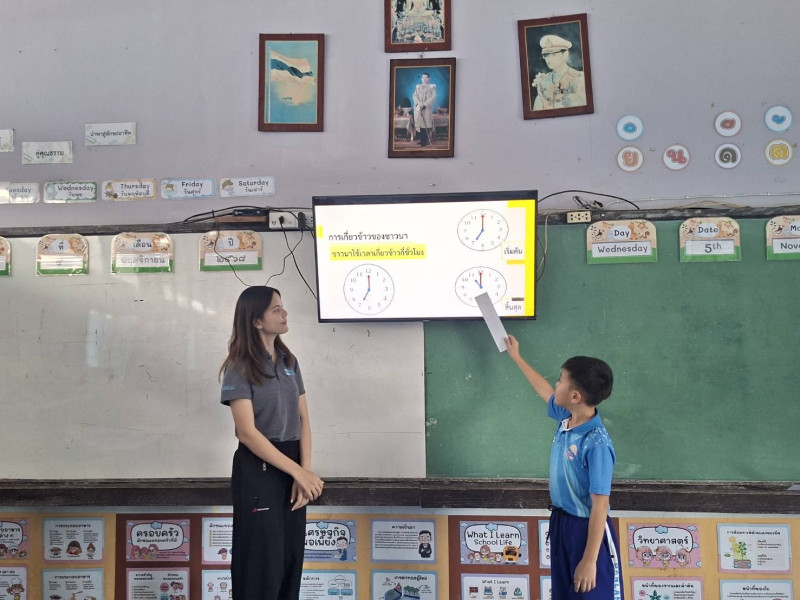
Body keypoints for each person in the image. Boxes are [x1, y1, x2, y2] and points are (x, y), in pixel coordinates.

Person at [219, 286, 324, 600]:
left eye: (283, 307)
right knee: (262, 562)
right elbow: (246, 432)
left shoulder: (290, 360)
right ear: (256, 321)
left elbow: (304, 420)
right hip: (259, 467)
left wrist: (304, 472)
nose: (284, 313)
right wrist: (298, 472)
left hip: (292, 465)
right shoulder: (240, 366)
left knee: (290, 558)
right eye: (276, 309)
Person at [505, 336, 623, 599]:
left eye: (560, 380)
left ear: (575, 396)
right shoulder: (567, 417)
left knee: (589, 594)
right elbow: (544, 390)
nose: (555, 384)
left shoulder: (596, 443)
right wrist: (517, 357)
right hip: (562, 523)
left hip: (588, 532)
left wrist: (590, 560)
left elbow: (600, 505)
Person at [532, 34, 587, 110]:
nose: (549, 59)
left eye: (554, 54)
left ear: (565, 54)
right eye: (546, 55)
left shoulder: (578, 78)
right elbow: (537, 110)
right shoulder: (543, 81)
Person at [413, 72, 436, 146]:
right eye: (423, 77)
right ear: (421, 79)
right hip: (419, 108)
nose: (424, 79)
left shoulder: (432, 87)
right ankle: (422, 140)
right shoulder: (418, 87)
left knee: (425, 124)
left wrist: (424, 104)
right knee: (419, 124)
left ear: (429, 78)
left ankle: (425, 141)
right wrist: (419, 104)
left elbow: (433, 97)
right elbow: (415, 96)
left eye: (426, 77)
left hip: (426, 108)